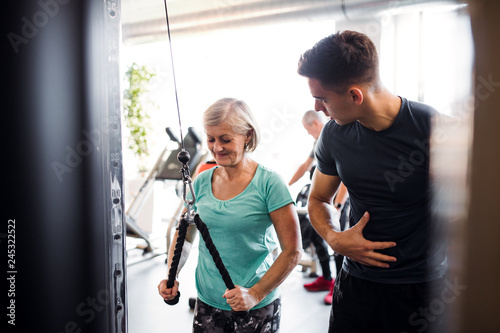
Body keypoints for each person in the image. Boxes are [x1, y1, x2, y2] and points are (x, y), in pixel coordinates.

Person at [297, 30, 447, 332]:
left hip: (421, 288)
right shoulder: (333, 135)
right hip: (356, 285)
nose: (316, 108)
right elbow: (318, 200)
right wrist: (333, 237)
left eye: (322, 99)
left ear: (355, 95)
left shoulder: (433, 129)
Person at [158, 98, 302, 333]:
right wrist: (171, 274)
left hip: (255, 305)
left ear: (247, 135)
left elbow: (293, 251)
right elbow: (186, 234)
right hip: (207, 301)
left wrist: (255, 294)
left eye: (225, 139)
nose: (217, 148)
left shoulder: (270, 183)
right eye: (211, 139)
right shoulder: (202, 181)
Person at [289, 110, 349, 305]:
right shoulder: (319, 142)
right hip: (325, 200)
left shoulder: (337, 136)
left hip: (340, 200)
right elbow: (306, 166)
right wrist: (286, 185)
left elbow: (344, 178)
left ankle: (338, 287)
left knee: (339, 242)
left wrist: (338, 206)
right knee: (316, 232)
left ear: (315, 123)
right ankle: (327, 277)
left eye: (308, 129)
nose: (308, 133)